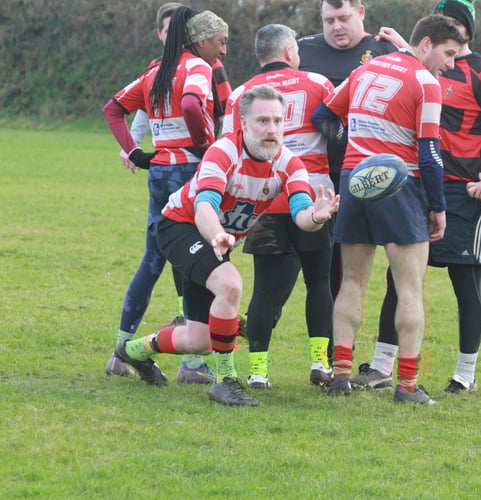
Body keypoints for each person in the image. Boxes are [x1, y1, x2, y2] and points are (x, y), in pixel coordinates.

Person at [114, 85, 340, 407]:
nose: (271, 129)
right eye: (262, 121)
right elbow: (205, 203)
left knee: (201, 339)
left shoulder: (290, 164)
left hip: (215, 240)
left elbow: (302, 213)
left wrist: (316, 216)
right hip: (180, 227)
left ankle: (134, 351)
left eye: (278, 121)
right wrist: (217, 233)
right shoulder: (223, 151)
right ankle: (225, 382)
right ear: (243, 123)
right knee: (230, 282)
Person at [350, 0, 481, 394]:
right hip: (422, 187)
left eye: (453, 21)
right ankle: (381, 367)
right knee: (400, 280)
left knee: (466, 284)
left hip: (469, 194)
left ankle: (465, 374)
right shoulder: (424, 67)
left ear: (465, 30)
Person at [313, 14, 465, 404]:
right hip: (402, 186)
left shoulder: (368, 67)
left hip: (355, 182)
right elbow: (430, 153)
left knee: (350, 283)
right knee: (409, 288)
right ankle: (408, 386)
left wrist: (352, 151)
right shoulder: (426, 83)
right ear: (426, 43)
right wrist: (438, 206)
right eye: (448, 54)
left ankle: (341, 376)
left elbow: (325, 116)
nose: (451, 63)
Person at [102, 7, 229, 383]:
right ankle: (193, 365)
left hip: (158, 171)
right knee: (200, 260)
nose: (221, 54)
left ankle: (120, 353)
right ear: (202, 40)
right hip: (188, 172)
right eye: (220, 44)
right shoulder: (197, 68)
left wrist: (135, 152)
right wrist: (204, 145)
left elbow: (113, 109)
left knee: (153, 259)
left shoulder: (155, 71)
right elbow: (192, 103)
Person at [222, 24, 337, 389]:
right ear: (290, 53)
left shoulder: (241, 95)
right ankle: (320, 364)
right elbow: (336, 133)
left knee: (265, 290)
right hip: (314, 197)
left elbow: (229, 150)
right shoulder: (319, 83)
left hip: (265, 199)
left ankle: (258, 371)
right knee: (320, 282)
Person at [298, 0, 399, 336]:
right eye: (329, 20)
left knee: (390, 262)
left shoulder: (384, 49)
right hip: (314, 178)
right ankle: (330, 353)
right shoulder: (302, 50)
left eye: (343, 18)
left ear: (361, 12)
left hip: (376, 175)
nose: (336, 27)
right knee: (324, 268)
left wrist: (405, 48)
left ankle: (383, 350)